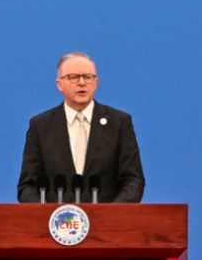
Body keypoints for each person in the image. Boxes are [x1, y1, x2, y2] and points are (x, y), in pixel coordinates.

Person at [17, 52, 145, 203]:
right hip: (55, 223)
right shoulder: (40, 125)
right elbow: (27, 186)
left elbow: (133, 180)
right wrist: (47, 217)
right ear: (59, 84)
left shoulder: (119, 122)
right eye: (73, 77)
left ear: (96, 82)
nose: (82, 82)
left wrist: (112, 215)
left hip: (108, 223)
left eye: (88, 77)